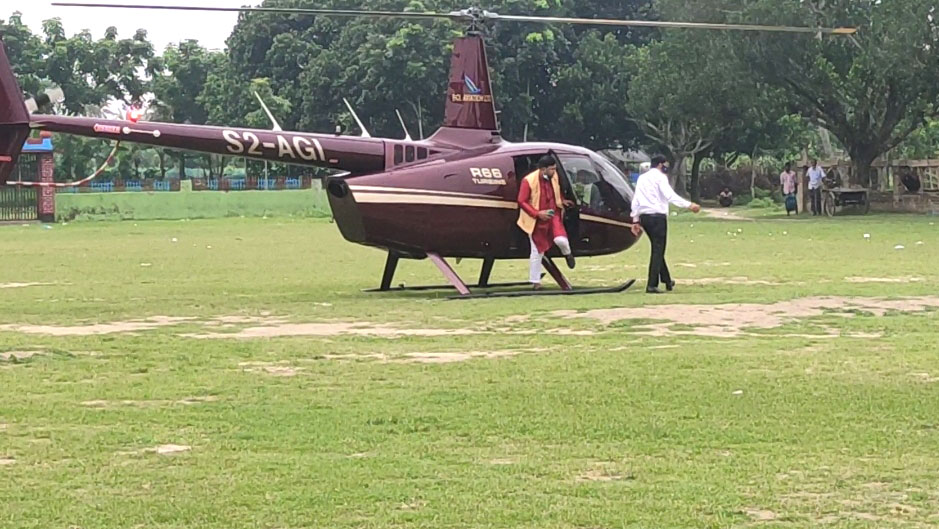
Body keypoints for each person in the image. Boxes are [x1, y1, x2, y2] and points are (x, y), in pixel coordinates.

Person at [630, 155, 702, 294]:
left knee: (657, 249)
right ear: (660, 164)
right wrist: (688, 205)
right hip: (657, 217)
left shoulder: (642, 178)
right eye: (665, 165)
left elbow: (636, 200)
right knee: (658, 250)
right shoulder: (660, 177)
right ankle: (652, 284)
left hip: (645, 217)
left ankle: (667, 280)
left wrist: (635, 219)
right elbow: (670, 195)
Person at [517, 154, 576, 289]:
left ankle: (568, 254)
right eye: (552, 169)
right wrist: (537, 213)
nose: (554, 172)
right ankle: (535, 282)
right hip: (535, 220)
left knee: (561, 239)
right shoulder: (528, 181)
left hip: (553, 215)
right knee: (536, 251)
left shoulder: (553, 177)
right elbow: (521, 201)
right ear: (543, 169)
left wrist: (561, 200)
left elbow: (556, 191)